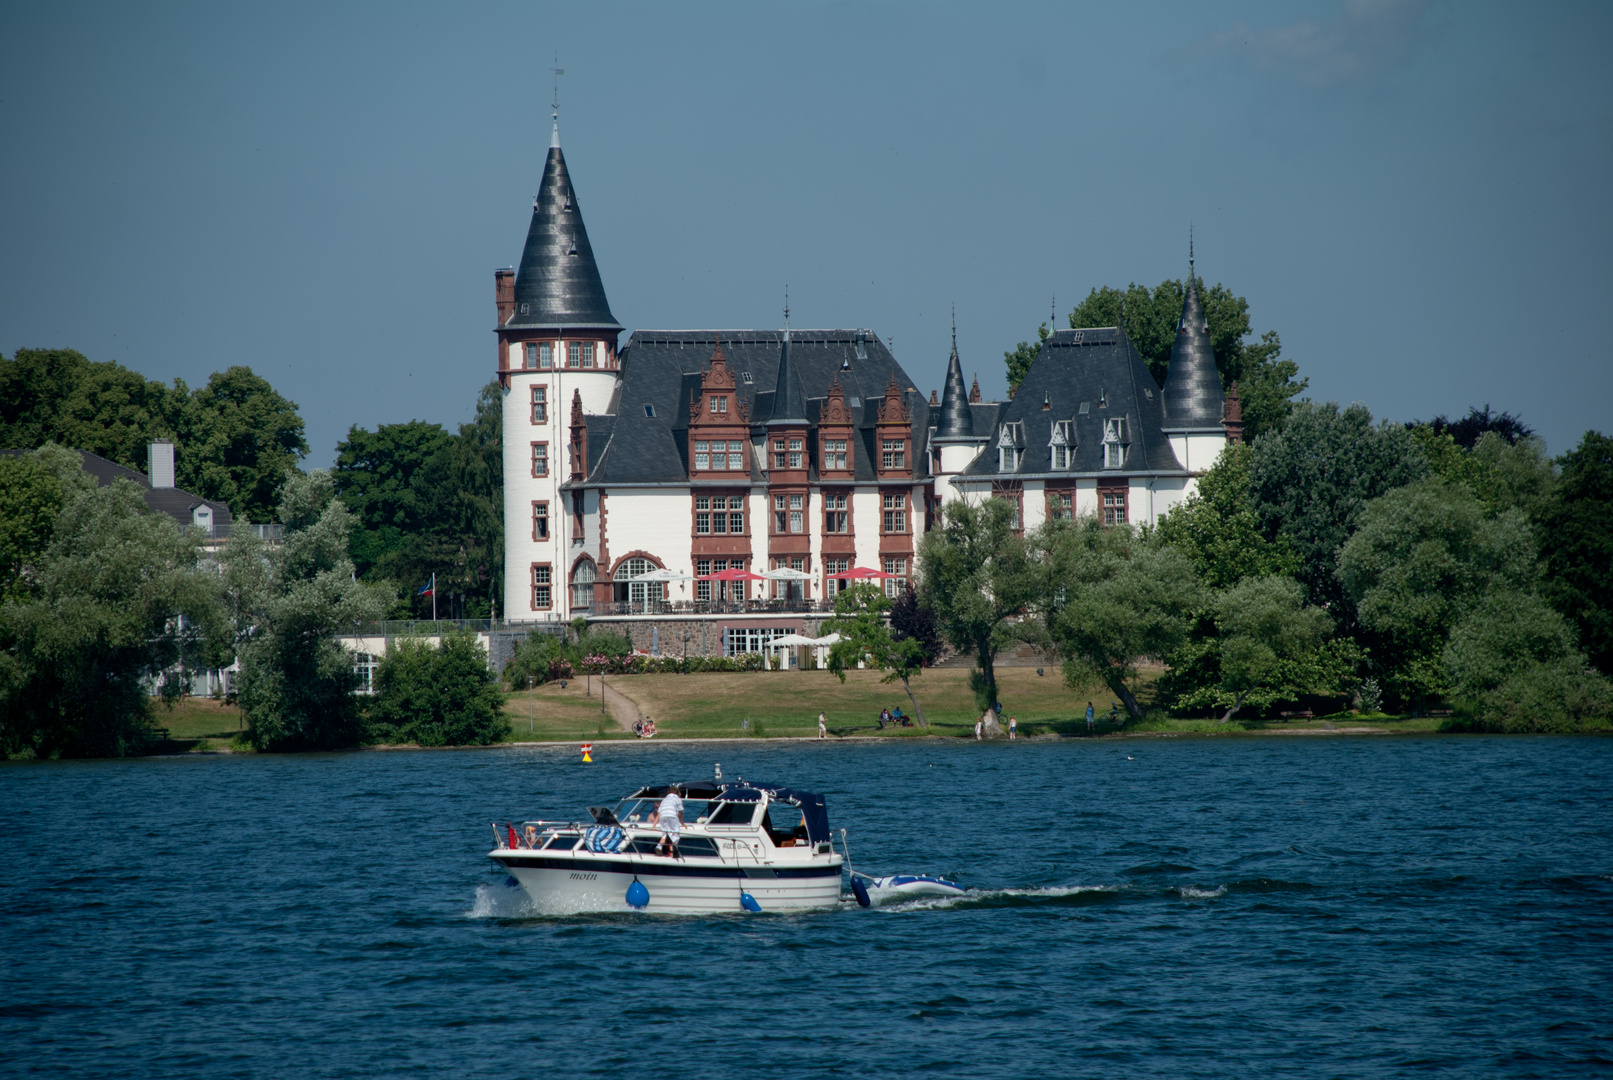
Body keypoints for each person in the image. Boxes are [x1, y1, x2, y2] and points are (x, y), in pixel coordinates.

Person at [654, 784, 684, 857]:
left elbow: (658, 814)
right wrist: (682, 823)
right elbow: (680, 813)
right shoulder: (677, 799)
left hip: (663, 816)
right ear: (677, 793)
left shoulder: (664, 800)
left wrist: (654, 825)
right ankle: (674, 847)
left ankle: (659, 847)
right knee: (676, 833)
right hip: (672, 815)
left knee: (664, 834)